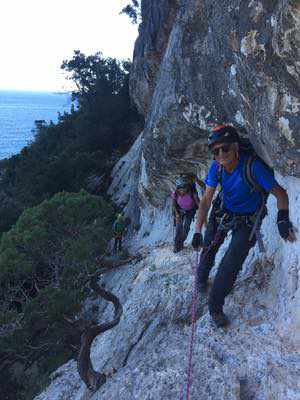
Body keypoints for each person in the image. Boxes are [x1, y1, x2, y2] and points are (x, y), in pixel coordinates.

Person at [192, 125, 296, 328]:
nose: (220, 154)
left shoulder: (253, 167)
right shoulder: (217, 166)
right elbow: (205, 200)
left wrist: (282, 219)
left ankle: (215, 307)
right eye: (216, 151)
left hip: (248, 220)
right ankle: (201, 278)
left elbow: (280, 194)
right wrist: (197, 231)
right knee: (209, 247)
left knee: (230, 264)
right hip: (223, 212)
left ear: (235, 147)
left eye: (225, 149)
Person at [172, 176, 200, 253]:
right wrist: (177, 214)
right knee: (178, 228)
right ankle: (176, 246)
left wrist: (200, 213)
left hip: (190, 211)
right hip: (180, 210)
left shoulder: (192, 193)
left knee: (186, 227)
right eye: (180, 188)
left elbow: (198, 204)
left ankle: (181, 243)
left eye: (183, 188)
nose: (182, 190)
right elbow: (174, 204)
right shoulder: (176, 193)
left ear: (187, 187)